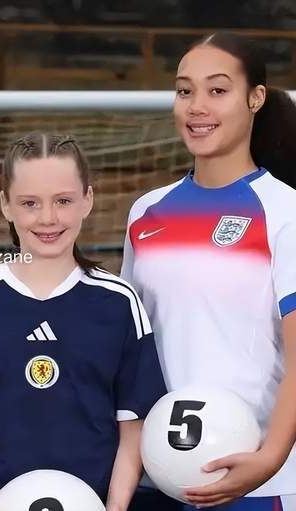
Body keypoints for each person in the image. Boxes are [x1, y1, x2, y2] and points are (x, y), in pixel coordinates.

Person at [0, 133, 167, 511]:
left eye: (63, 201)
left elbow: (134, 425)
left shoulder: (118, 302)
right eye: (30, 203)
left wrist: (115, 506)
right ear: (6, 205)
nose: (48, 218)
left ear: (87, 200)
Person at [122, 32, 296, 510]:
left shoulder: (285, 212)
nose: (196, 106)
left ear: (255, 98)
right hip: (158, 474)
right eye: (185, 91)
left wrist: (270, 458)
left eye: (217, 90)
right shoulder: (145, 213)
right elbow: (133, 348)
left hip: (257, 480)